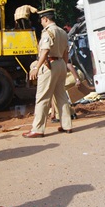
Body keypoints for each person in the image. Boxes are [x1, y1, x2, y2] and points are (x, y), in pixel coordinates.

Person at [23, 9, 71, 138]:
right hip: (61, 63)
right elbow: (66, 53)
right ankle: (67, 125)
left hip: (50, 65)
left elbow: (44, 51)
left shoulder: (48, 32)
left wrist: (36, 68)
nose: (41, 23)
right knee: (61, 96)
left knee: (42, 97)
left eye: (41, 20)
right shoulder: (62, 32)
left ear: (45, 19)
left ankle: (38, 129)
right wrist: (64, 67)